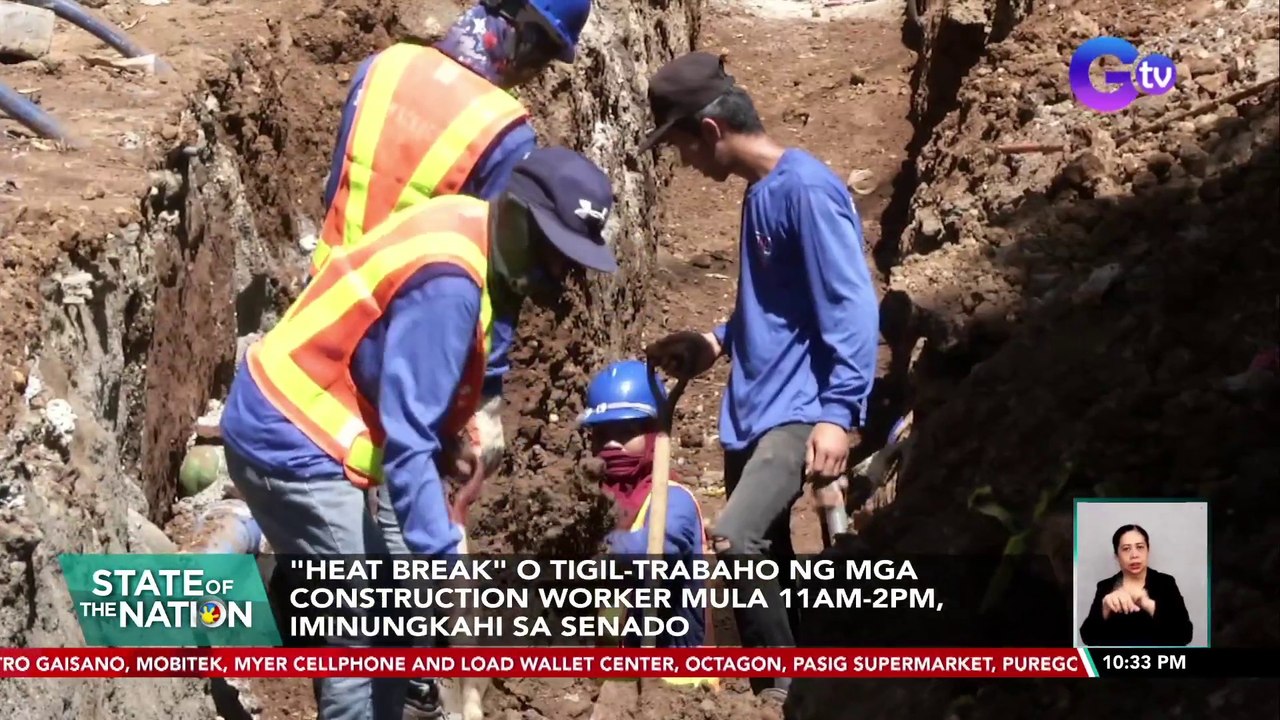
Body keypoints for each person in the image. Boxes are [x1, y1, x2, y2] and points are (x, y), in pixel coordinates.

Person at [218, 146, 619, 720]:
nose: (558, 274)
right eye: (554, 253)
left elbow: (388, 359)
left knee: (393, 618)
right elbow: (407, 449)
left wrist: (448, 438)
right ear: (519, 216)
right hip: (287, 435)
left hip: (306, 417)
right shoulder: (451, 286)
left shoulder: (466, 225)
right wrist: (449, 577)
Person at [636, 51, 880, 703]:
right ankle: (810, 678)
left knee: (736, 537)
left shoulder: (805, 189)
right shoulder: (763, 192)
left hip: (796, 408)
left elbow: (851, 302)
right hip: (754, 406)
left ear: (710, 130)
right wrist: (715, 341)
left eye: (682, 146)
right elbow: (773, 302)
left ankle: (781, 693)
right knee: (766, 557)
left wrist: (839, 411)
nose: (684, 163)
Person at [314, 0, 594, 544]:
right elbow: (502, 272)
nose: (536, 75)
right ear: (527, 39)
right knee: (406, 498)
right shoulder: (504, 133)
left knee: (332, 486)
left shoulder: (383, 67)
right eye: (543, 58)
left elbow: (338, 188)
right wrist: (481, 398)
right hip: (412, 334)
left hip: (327, 308)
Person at [577, 359, 718, 688]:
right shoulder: (601, 502)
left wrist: (579, 549)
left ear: (655, 435)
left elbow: (648, 554)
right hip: (622, 684)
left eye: (626, 432)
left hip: (679, 688)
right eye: (602, 434)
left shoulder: (674, 501)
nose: (612, 445)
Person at [1078, 524, 1194, 647]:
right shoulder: (1105, 586)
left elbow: (1185, 635)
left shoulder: (1166, 583)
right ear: (1116, 556)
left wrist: (1147, 604)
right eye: (1126, 549)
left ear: (1148, 550)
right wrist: (1105, 608)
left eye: (1140, 547)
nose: (1134, 555)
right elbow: (1088, 638)